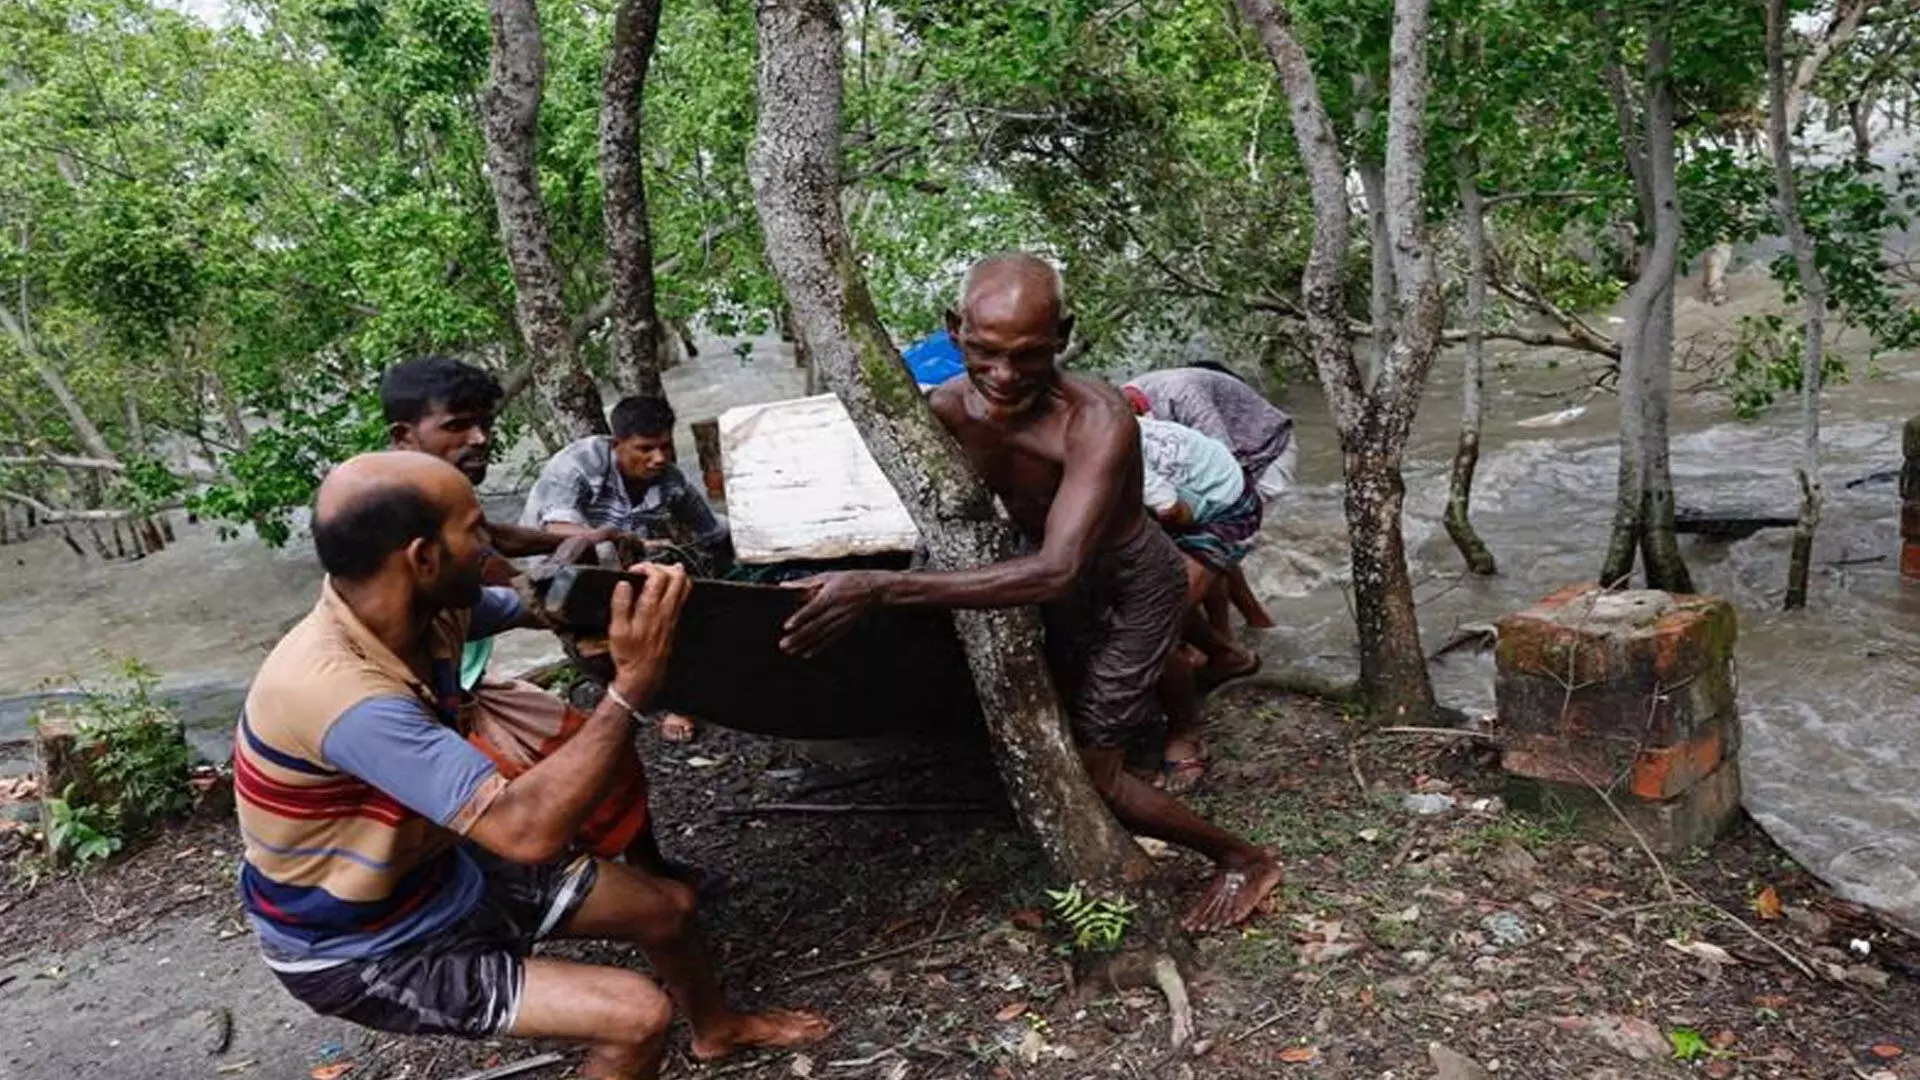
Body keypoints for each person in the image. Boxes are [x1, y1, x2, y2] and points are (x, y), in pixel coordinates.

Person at [236, 451, 829, 1078]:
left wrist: (627, 589)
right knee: (635, 1018)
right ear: (423, 557)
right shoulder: (343, 696)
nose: (491, 540)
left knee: (667, 909)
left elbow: (533, 603)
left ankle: (719, 1030)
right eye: (475, 529)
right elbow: (527, 832)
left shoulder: (421, 607)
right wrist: (632, 686)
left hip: (436, 871)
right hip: (360, 943)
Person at [777, 253, 1281, 933]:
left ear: (1063, 338)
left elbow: (1056, 567)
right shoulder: (943, 408)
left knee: (1095, 768)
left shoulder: (1097, 418)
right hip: (1062, 592)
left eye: (1028, 356)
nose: (1005, 376)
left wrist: (882, 588)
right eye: (984, 352)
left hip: (1131, 584)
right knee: (1059, 722)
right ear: (955, 330)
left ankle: (1243, 858)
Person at [380, 356, 620, 691]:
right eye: (457, 426)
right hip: (406, 684)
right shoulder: (402, 505)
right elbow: (513, 584)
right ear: (404, 435)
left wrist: (586, 538)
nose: (479, 438)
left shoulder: (440, 483)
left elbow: (491, 536)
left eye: (484, 424)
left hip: (455, 662)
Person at [520, 395, 727, 743]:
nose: (658, 458)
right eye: (645, 448)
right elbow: (557, 533)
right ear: (617, 445)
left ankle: (674, 695)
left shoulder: (671, 481)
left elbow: (711, 529)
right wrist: (618, 540)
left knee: (678, 588)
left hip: (626, 564)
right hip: (560, 566)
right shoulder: (577, 465)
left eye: (664, 446)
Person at [1136, 415, 1263, 794]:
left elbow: (1174, 511)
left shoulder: (1106, 444)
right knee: (1141, 600)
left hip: (1217, 507)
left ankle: (1184, 733)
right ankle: (1229, 657)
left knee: (1154, 623)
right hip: (1174, 500)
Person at [1123, 364, 1297, 631]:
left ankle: (1231, 628)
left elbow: (1227, 458)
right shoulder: (1120, 403)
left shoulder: (1183, 394)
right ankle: (1248, 622)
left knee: (1217, 534)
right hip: (1208, 464)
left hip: (1264, 449)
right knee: (1205, 542)